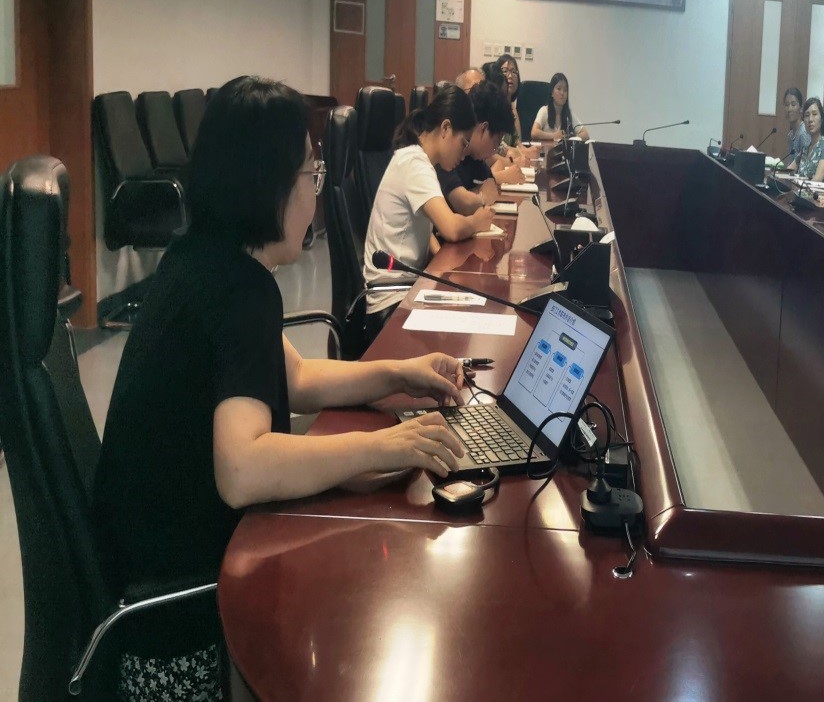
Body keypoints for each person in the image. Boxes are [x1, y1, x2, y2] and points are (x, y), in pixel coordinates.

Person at [92, 76, 466, 700]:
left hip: (145, 583)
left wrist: (400, 374)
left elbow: (294, 377)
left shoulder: (201, 260)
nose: (315, 196)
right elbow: (242, 469)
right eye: (310, 177)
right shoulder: (240, 291)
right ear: (268, 185)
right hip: (178, 625)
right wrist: (387, 446)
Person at [363, 85, 495, 326]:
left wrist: (444, 264)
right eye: (463, 143)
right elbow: (451, 228)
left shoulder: (417, 159)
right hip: (390, 302)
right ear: (445, 128)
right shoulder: (415, 164)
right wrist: (477, 221)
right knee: (467, 324)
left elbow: (425, 233)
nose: (463, 154)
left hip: (404, 289)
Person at [436, 80, 519, 213]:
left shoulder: (474, 157)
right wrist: (481, 196)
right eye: (496, 143)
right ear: (484, 129)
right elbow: (463, 204)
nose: (494, 151)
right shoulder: (448, 149)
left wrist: (477, 194)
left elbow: (491, 187)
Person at [531, 72, 589, 142]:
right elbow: (534, 133)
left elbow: (585, 134)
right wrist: (554, 135)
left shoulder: (569, 114)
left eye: (565, 90)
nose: (562, 93)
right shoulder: (544, 111)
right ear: (552, 93)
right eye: (559, 89)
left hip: (563, 149)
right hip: (547, 149)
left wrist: (571, 138)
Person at [795, 97, 824, 181]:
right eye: (807, 115)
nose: (810, 119)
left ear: (821, 119)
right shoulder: (805, 148)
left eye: (814, 114)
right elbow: (789, 170)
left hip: (814, 189)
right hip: (799, 188)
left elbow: (817, 180)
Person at [782, 86, 810, 160]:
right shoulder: (790, 135)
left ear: (801, 108)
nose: (789, 109)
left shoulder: (804, 133)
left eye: (793, 105)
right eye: (787, 105)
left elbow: (807, 163)